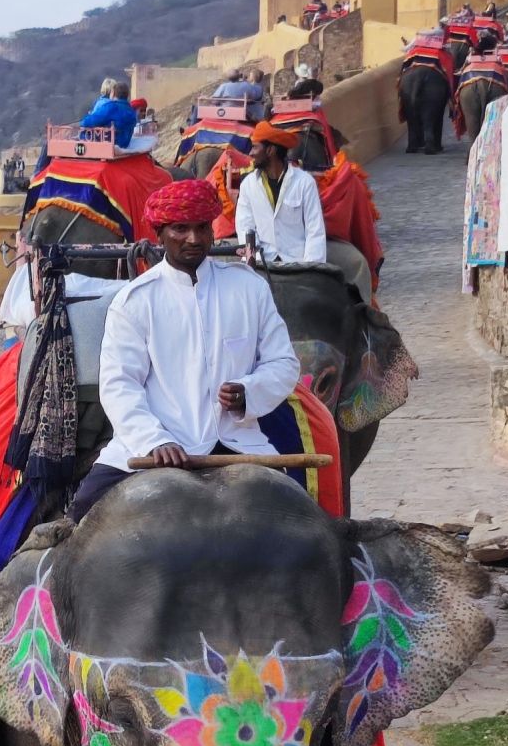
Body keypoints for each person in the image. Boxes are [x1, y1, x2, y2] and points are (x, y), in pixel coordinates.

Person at [69, 180, 300, 521]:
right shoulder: (135, 301)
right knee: (81, 516)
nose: (193, 239)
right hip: (151, 449)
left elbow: (283, 363)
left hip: (236, 444)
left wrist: (248, 391)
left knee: (301, 518)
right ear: (160, 234)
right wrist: (154, 441)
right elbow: (119, 384)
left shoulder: (250, 288)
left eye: (201, 228)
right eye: (180, 229)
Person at [235, 122, 326, 265]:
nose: (251, 153)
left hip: (297, 264)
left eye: (255, 147)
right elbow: (245, 227)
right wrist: (255, 263)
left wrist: (311, 269)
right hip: (263, 263)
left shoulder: (305, 183)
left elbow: (315, 230)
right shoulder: (248, 185)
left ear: (270, 150)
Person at [79, 80, 137, 148]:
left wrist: (84, 120)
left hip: (108, 144)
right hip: (124, 144)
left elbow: (87, 122)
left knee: (83, 133)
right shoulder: (131, 110)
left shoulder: (111, 107)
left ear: (112, 93)